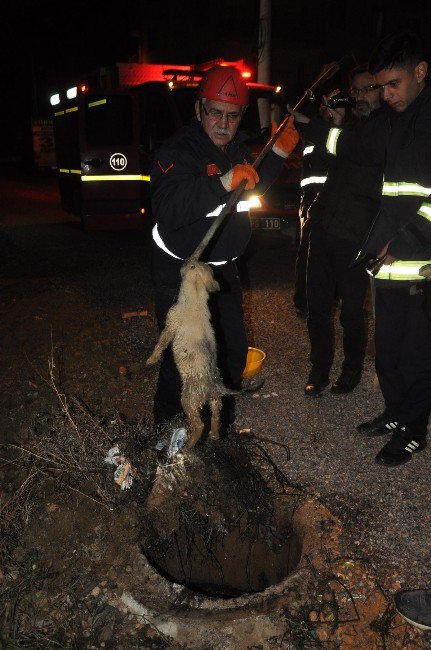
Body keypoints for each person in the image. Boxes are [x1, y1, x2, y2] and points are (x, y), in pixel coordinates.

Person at [291, 31, 431, 465]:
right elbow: (353, 146)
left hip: (418, 263)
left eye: (394, 84)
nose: (387, 94)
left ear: (420, 72)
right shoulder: (393, 119)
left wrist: (404, 243)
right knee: (387, 352)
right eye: (382, 85)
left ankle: (413, 429)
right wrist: (322, 126)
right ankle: (395, 412)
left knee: (415, 354)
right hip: (386, 262)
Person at [150, 65, 299, 429]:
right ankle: (167, 436)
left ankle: (218, 435)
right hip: (182, 270)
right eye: (215, 112)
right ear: (199, 108)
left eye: (232, 115)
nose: (223, 122)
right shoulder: (177, 153)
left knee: (231, 354)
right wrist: (222, 182)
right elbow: (170, 208)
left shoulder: (236, 150)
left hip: (223, 270)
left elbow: (247, 192)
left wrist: (276, 156)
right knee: (182, 361)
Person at [301, 67, 382, 397]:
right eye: (357, 90)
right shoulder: (346, 126)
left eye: (368, 89)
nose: (361, 96)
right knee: (317, 307)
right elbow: (318, 161)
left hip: (355, 235)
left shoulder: (384, 128)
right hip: (323, 228)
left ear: (380, 92)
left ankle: (350, 371)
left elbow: (355, 150)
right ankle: (318, 370)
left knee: (351, 311)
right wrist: (332, 121)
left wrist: (327, 129)